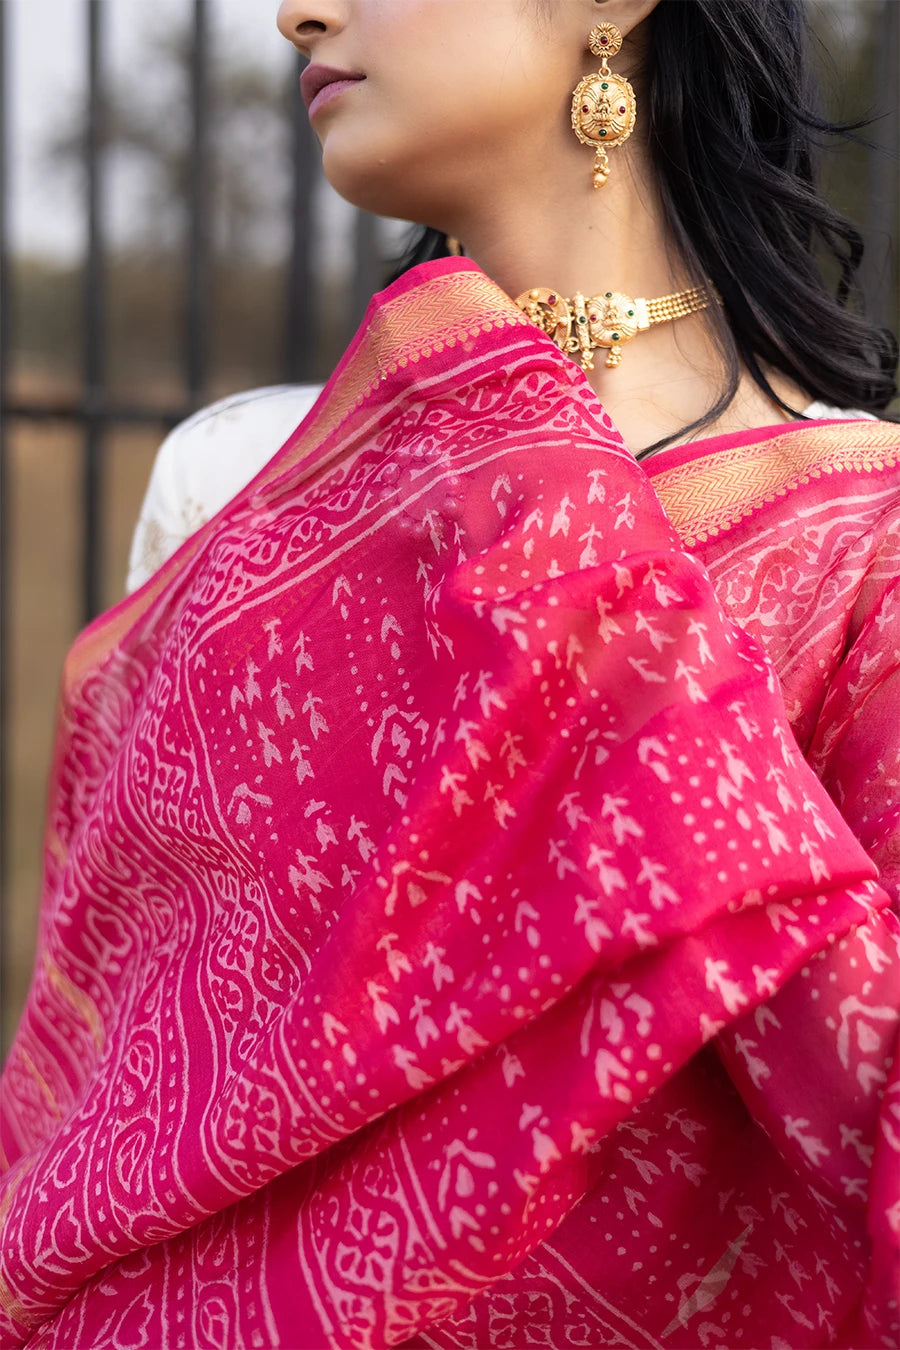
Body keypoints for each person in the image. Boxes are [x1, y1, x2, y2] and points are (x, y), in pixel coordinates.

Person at [1, 0, 898, 1346]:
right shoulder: (240, 481)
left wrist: (569, 557)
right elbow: (125, 1093)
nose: (296, 9)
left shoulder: (863, 535)